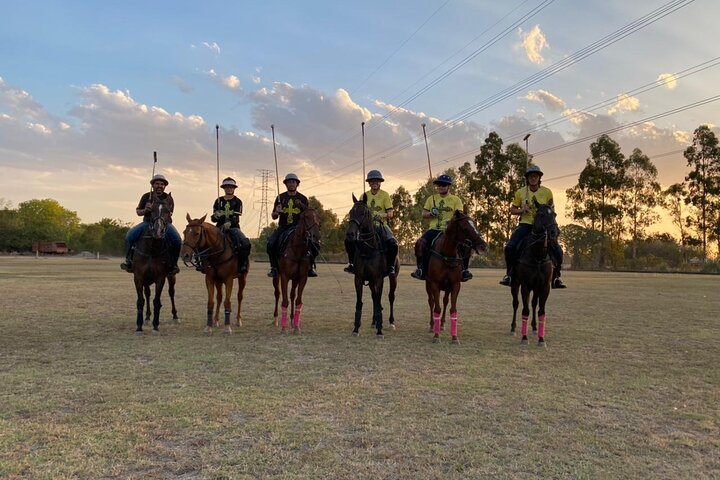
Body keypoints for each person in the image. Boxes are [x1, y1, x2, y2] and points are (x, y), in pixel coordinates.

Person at [499, 164, 567, 289]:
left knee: (558, 250)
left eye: (535, 176)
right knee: (510, 247)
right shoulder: (520, 192)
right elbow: (512, 210)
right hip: (526, 224)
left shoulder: (547, 192)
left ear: (539, 178)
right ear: (527, 178)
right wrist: (521, 210)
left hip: (543, 228)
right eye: (531, 176)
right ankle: (509, 274)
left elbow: (551, 211)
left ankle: (556, 277)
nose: (533, 178)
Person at [410, 174, 472, 282]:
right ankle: (421, 269)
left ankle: (464, 270)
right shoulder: (431, 199)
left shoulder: (455, 200)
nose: (441, 187)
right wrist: (431, 214)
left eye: (443, 185)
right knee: (420, 243)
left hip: (450, 231)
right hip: (434, 229)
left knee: (466, 244)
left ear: (448, 187)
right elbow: (424, 213)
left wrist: (450, 221)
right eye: (439, 185)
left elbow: (459, 215)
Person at [120, 174, 181, 275]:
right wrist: (146, 209)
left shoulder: (168, 198)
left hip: (164, 224)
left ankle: (173, 264)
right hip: (147, 223)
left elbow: (169, 214)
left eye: (162, 184)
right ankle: (129, 261)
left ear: (165, 186)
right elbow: (138, 212)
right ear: (153, 185)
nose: (159, 186)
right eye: (157, 183)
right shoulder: (146, 196)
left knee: (177, 240)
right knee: (129, 235)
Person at [344, 169, 398, 277]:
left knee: (393, 243)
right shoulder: (363, 196)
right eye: (372, 181)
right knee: (348, 240)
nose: (375, 183)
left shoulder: (385, 195)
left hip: (381, 225)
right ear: (369, 183)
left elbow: (390, 213)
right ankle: (352, 264)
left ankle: (391, 266)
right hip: (364, 228)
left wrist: (381, 215)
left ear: (380, 182)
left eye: (377, 181)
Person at [266, 173, 319, 278]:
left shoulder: (303, 198)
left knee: (314, 244)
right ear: (286, 184)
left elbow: (307, 215)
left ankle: (310, 267)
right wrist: (277, 212)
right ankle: (274, 268)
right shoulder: (280, 197)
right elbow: (274, 216)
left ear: (297, 184)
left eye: (293, 182)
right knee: (271, 243)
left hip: (298, 227)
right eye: (289, 182)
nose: (291, 184)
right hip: (283, 226)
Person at [211, 177, 252, 275]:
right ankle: (204, 264)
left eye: (231, 187)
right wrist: (216, 216)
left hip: (234, 227)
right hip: (219, 227)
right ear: (224, 188)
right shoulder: (218, 201)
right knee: (206, 241)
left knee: (245, 243)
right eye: (227, 187)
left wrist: (229, 222)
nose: (229, 189)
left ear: (234, 188)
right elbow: (213, 219)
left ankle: (243, 264)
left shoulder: (238, 201)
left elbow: (236, 216)